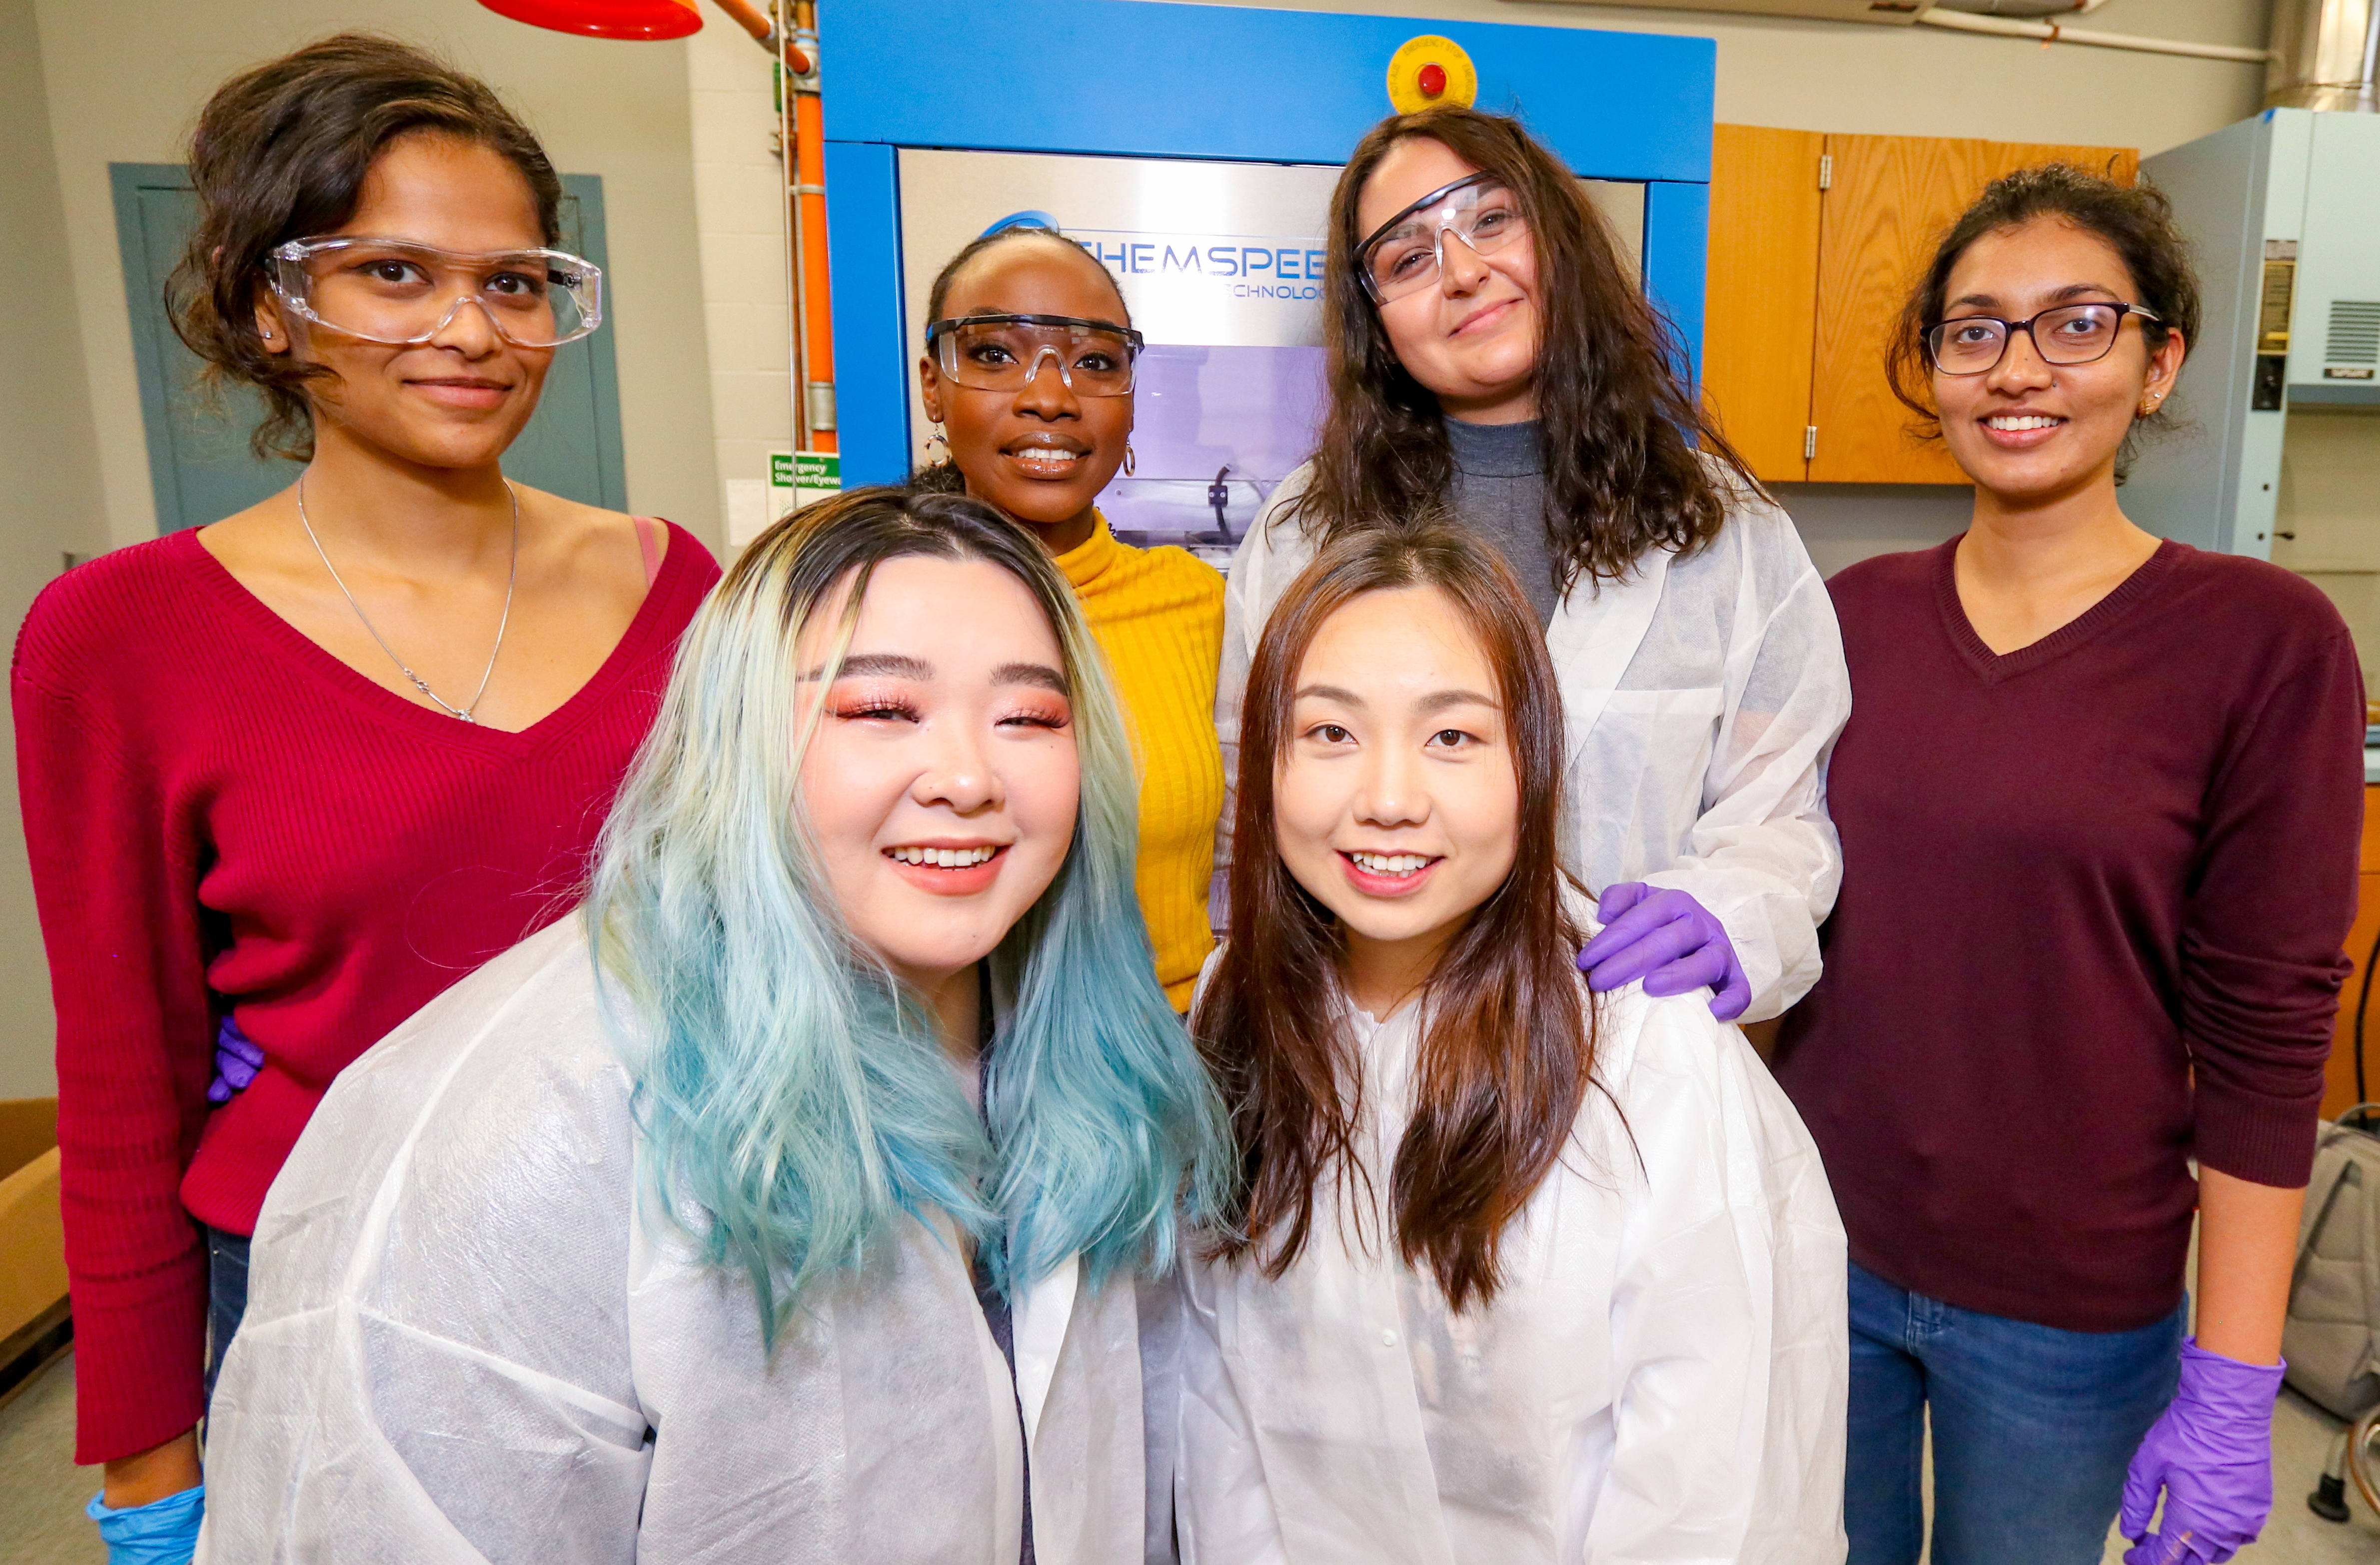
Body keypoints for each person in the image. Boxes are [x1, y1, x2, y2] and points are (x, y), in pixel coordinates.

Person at [199, 487, 1233, 1563]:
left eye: (1029, 718)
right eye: (880, 710)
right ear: (735, 737)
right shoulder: (535, 1126)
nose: (970, 778)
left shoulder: (1077, 1052)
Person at [12, 34, 719, 1560]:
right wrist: (149, 1465)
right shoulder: (123, 637)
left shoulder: (681, 587)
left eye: (516, 280)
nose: (470, 328)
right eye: (392, 273)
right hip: (322, 1271)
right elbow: (126, 1071)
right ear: (272, 306)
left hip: (660, 1258)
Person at [1771, 165, 2366, 1565]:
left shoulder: (2260, 643)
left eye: (2076, 323)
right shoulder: (1842, 617)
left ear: (2158, 362)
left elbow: (2269, 1036)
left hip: (2067, 1308)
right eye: (1973, 330)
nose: (2017, 367)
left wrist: (2234, 1376)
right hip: (1812, 1248)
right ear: (1931, 369)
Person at [1178, 523, 1848, 1562]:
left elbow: (1711, 1500)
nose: (1388, 801)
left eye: (1452, 737)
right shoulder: (1238, 1009)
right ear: (1261, 763)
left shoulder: (1638, 1052)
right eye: (1328, 734)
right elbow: (1222, 1428)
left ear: (1530, 764)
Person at [1217, 105, 1848, 1025]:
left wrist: (1730, 916)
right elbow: (1255, 806)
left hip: (1635, 1053)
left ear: (1552, 234)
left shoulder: (1722, 529)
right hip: (1370, 1042)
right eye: (1406, 260)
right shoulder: (1302, 534)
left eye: (1489, 219)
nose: (1464, 272)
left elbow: (1782, 817)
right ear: (1374, 322)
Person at [914, 226, 1224, 1011]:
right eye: (993, 355)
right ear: (931, 388)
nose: (1049, 396)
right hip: (946, 1063)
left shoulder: (1193, 603)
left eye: (1094, 363)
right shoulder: (863, 603)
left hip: (1178, 1063)